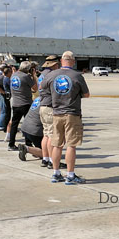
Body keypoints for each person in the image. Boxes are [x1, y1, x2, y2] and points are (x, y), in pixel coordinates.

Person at [40, 51, 90, 185]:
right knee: (71, 145)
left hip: (56, 113)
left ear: (61, 61)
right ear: (73, 61)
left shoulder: (51, 75)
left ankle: (56, 173)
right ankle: (70, 175)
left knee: (57, 145)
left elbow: (41, 88)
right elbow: (86, 94)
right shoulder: (77, 76)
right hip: (72, 113)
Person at [7, 61, 37, 151]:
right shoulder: (26, 76)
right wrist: (34, 76)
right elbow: (35, 88)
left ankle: (11, 143)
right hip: (25, 103)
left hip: (16, 103)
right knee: (28, 124)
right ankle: (28, 142)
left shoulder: (14, 75)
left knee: (14, 124)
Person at [37, 54, 60, 169]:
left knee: (45, 134)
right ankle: (52, 160)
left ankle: (45, 158)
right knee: (51, 135)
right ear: (55, 64)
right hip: (50, 106)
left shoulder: (42, 75)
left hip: (42, 105)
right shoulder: (51, 75)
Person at [17, 97, 44, 161]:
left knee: (41, 148)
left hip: (25, 126)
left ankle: (35, 151)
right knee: (48, 154)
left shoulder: (38, 98)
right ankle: (26, 148)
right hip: (34, 130)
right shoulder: (47, 101)